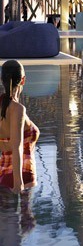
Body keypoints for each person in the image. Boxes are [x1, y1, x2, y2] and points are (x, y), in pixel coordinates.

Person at [0, 60, 36, 194]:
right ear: (23, 80)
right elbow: (17, 147)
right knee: (22, 215)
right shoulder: (17, 109)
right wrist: (18, 184)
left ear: (1, 80)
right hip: (21, 178)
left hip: (3, 176)